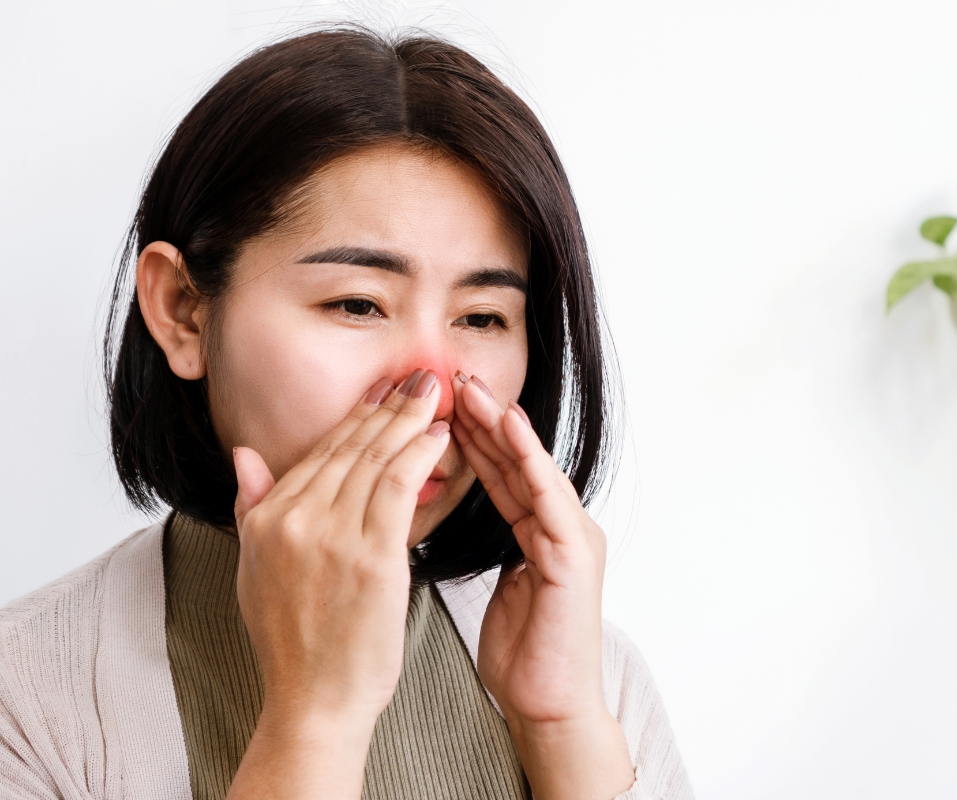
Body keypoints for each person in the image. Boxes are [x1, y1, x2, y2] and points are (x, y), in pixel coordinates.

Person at [0, 27, 691, 800]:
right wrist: (312, 721)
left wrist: (563, 731)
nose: (431, 391)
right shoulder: (25, 697)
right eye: (358, 304)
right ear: (184, 312)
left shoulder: (592, 682)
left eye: (483, 318)